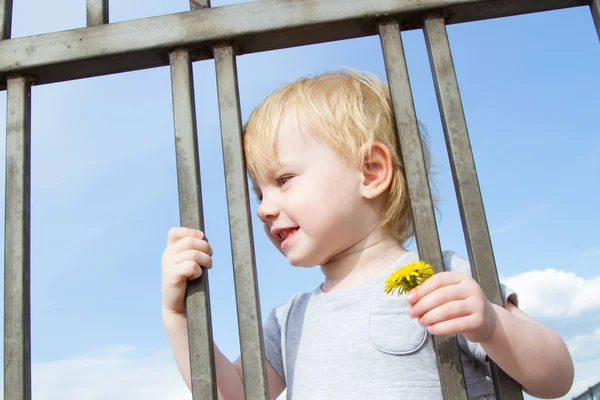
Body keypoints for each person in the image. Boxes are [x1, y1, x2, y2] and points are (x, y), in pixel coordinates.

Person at [161, 70, 574, 399]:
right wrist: (180, 320)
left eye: (284, 179)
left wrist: (492, 326)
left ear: (371, 172)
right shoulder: (290, 320)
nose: (263, 208)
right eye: (258, 192)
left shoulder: (433, 272)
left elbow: (555, 378)